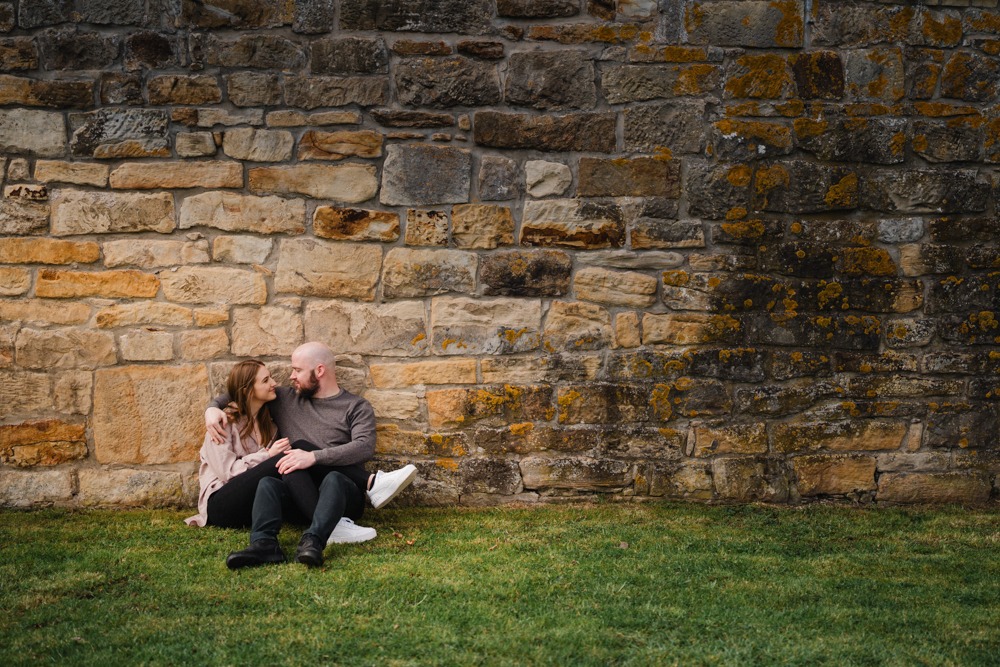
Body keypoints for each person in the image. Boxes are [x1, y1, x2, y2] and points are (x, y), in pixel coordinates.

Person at [205, 342, 417, 569]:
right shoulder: (285, 399)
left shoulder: (355, 406)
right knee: (276, 475)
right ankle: (266, 544)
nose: (290, 376)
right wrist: (212, 407)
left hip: (342, 492)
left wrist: (314, 457)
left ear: (319, 371)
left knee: (311, 461)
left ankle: (332, 520)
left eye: (297, 370)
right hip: (299, 493)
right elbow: (242, 390)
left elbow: (364, 447)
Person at [185, 359, 380, 544]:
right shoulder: (222, 424)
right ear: (248, 390)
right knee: (295, 450)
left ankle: (326, 522)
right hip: (221, 505)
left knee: (291, 462)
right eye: (266, 380)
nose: (274, 383)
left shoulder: (270, 425)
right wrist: (268, 455)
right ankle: (368, 486)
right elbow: (227, 473)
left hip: (252, 505)